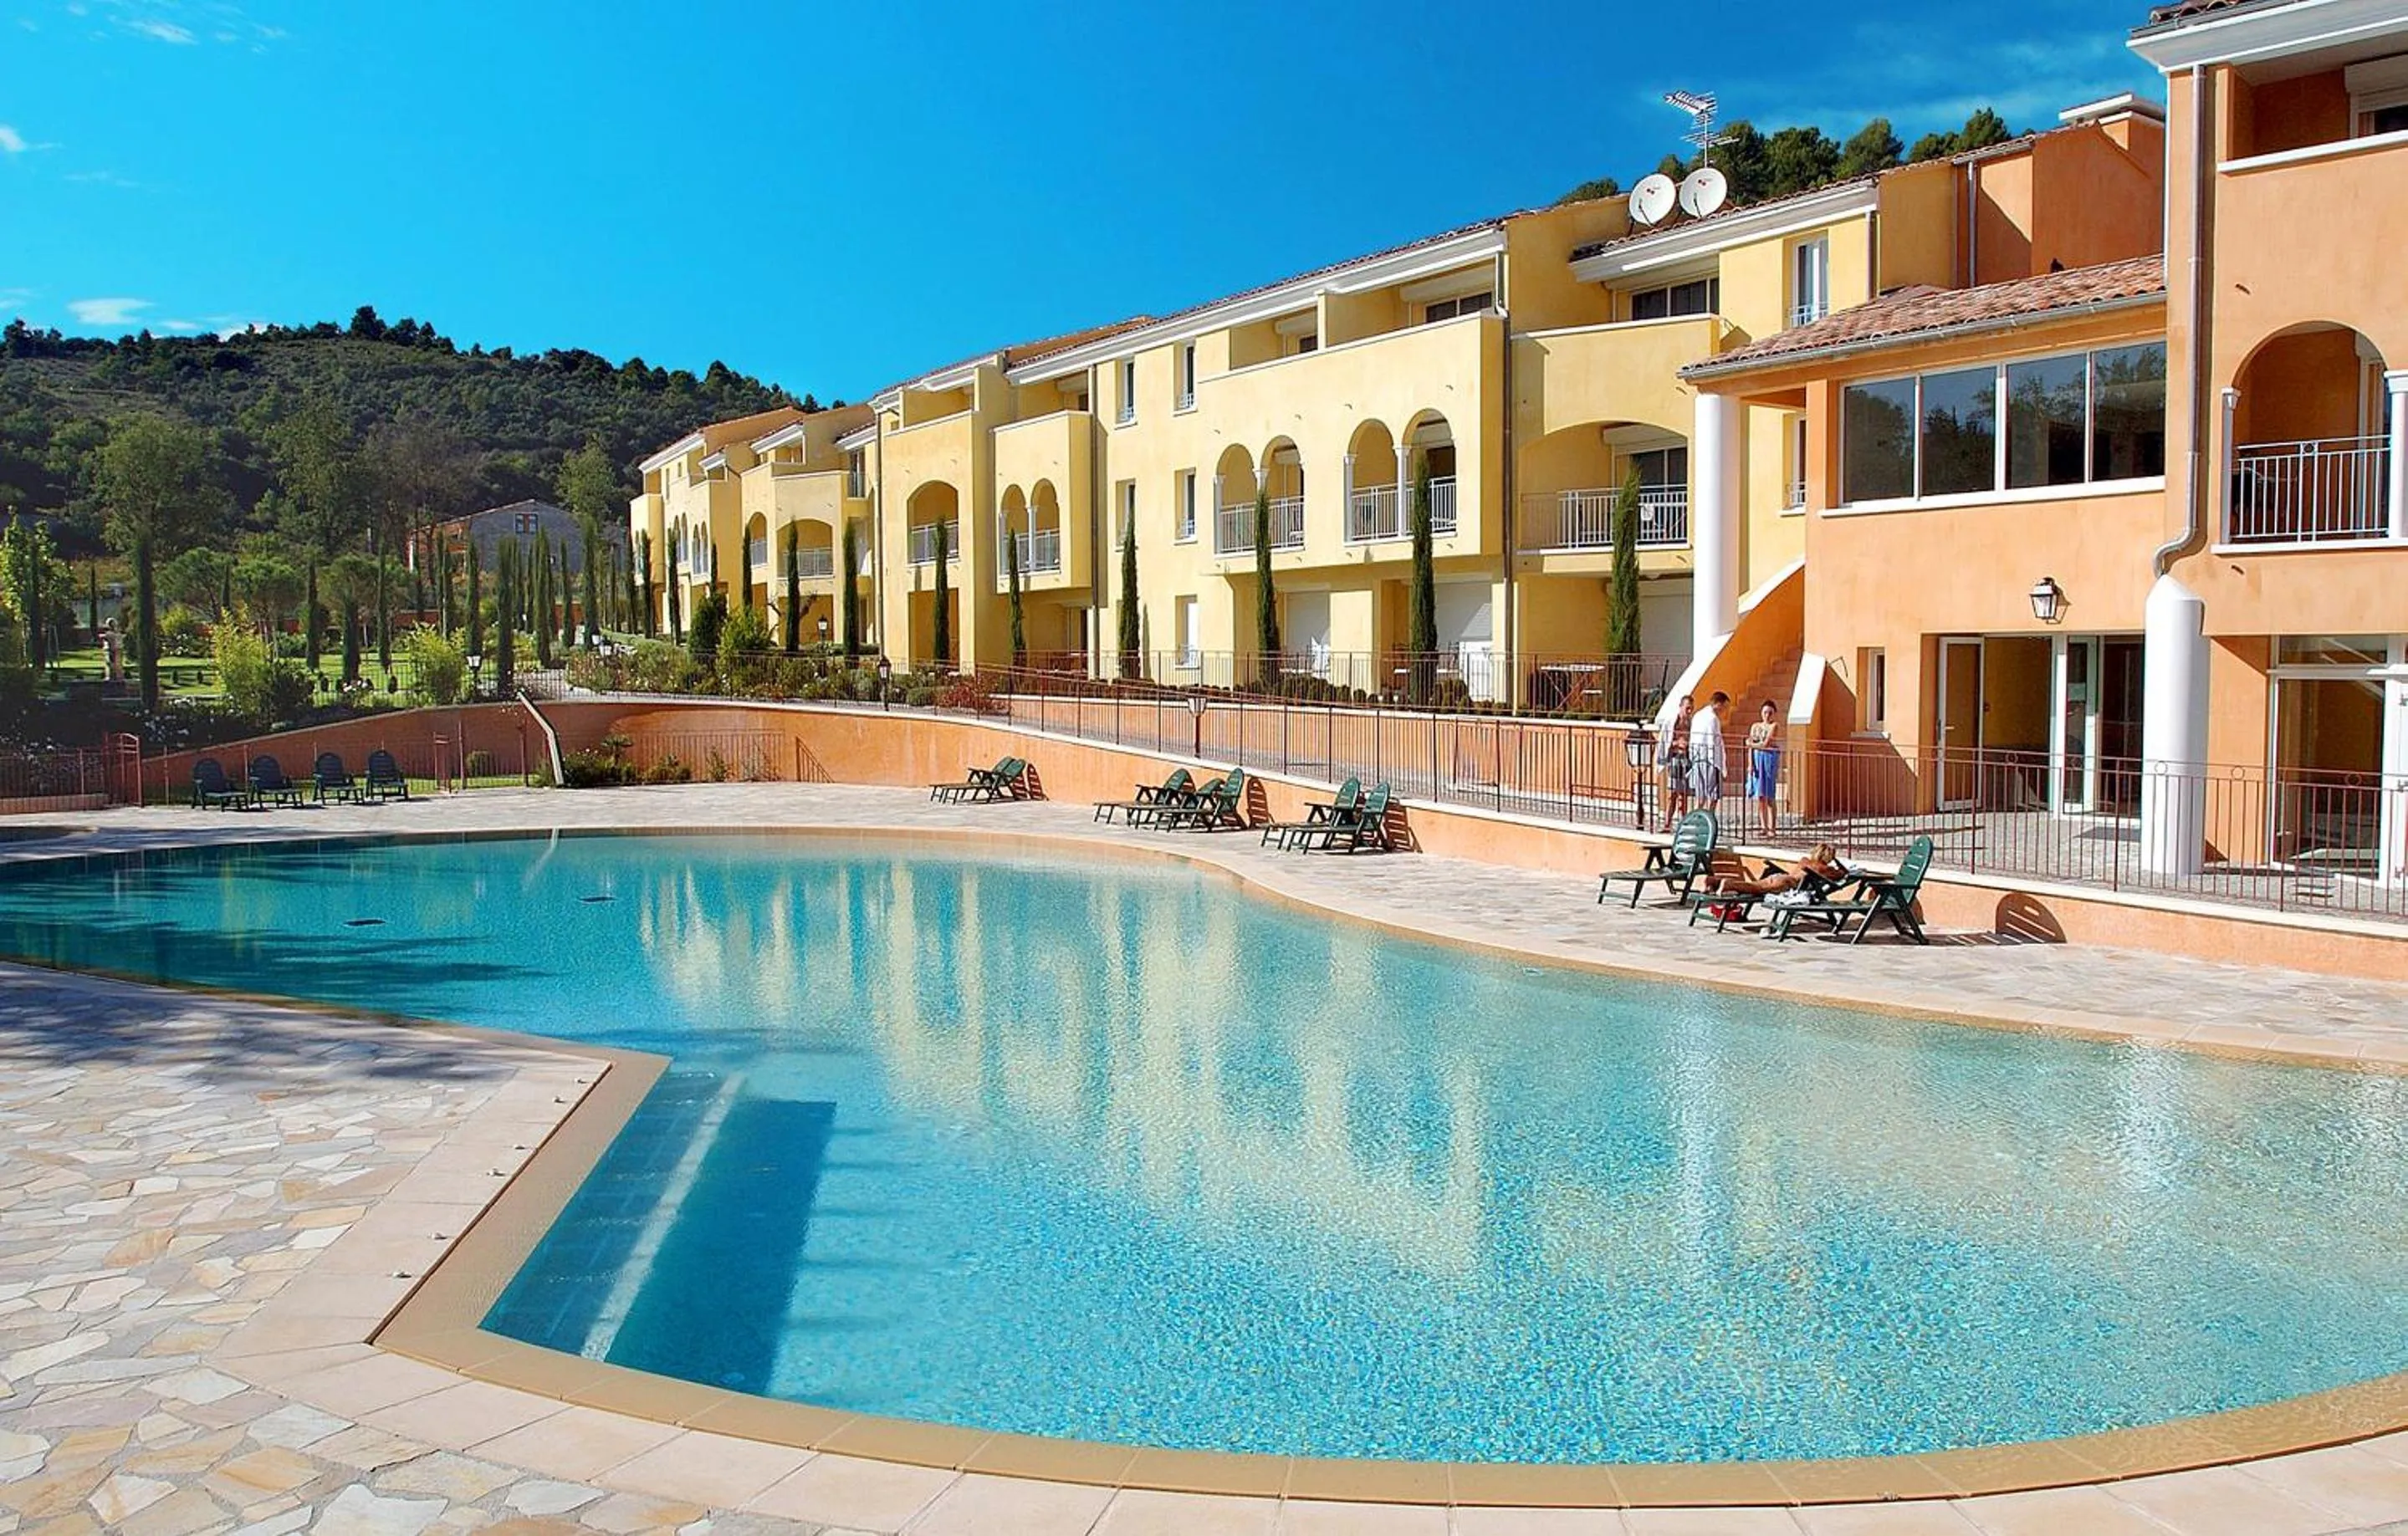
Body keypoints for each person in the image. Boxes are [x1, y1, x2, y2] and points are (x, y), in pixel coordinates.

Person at [1656, 694, 1693, 831]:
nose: (1689, 712)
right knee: (1672, 794)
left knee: (1683, 795)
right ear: (1681, 707)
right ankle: (1667, 824)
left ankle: (1683, 824)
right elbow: (1665, 741)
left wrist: (1688, 745)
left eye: (1691, 709)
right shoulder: (1673, 722)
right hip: (1675, 759)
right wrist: (1677, 742)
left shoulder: (1691, 723)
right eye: (1687, 708)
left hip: (1686, 760)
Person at [1689, 690, 1729, 813]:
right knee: (1713, 795)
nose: (1724, 710)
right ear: (1718, 704)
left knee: (1700, 796)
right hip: (1710, 761)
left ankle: (1697, 819)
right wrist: (1719, 764)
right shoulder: (1713, 719)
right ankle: (1709, 818)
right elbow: (1713, 740)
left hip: (1697, 758)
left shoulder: (1698, 715)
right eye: (1724, 706)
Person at [1746, 698, 1781, 837]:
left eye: (1770, 713)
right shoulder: (1755, 726)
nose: (1767, 715)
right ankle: (1763, 826)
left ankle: (1772, 827)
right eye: (1765, 712)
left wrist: (1751, 744)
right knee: (1760, 795)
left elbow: (1766, 743)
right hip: (1757, 758)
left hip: (1768, 759)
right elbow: (1751, 746)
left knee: (1770, 794)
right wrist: (1750, 764)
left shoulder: (1774, 726)